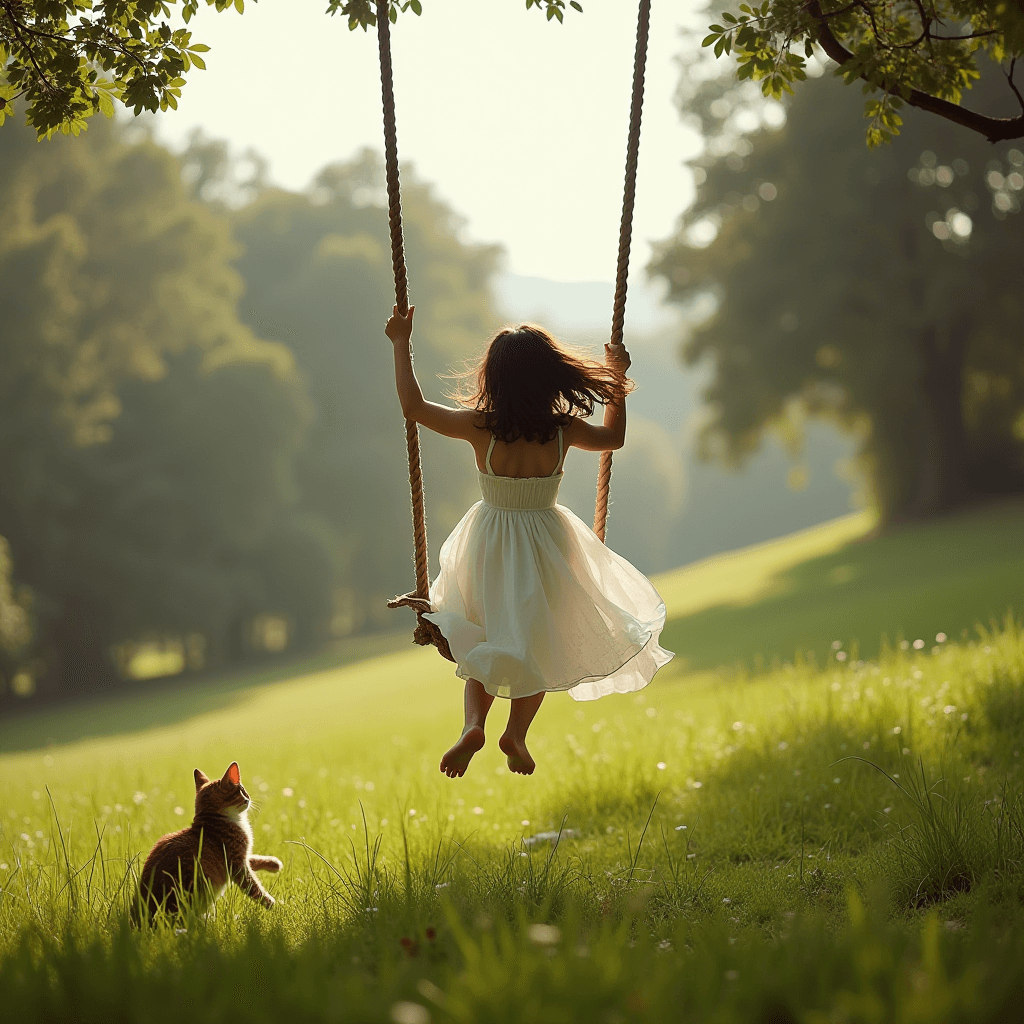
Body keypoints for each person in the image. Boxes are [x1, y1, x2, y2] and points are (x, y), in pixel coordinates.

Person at [385, 305, 673, 778]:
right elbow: (613, 437)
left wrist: (401, 342)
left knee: (480, 634)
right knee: (537, 643)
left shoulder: (482, 427)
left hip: (488, 543)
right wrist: (617, 380)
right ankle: (515, 733)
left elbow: (413, 407)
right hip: (547, 545)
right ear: (549, 378)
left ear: (494, 378)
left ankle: (472, 726)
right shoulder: (563, 430)